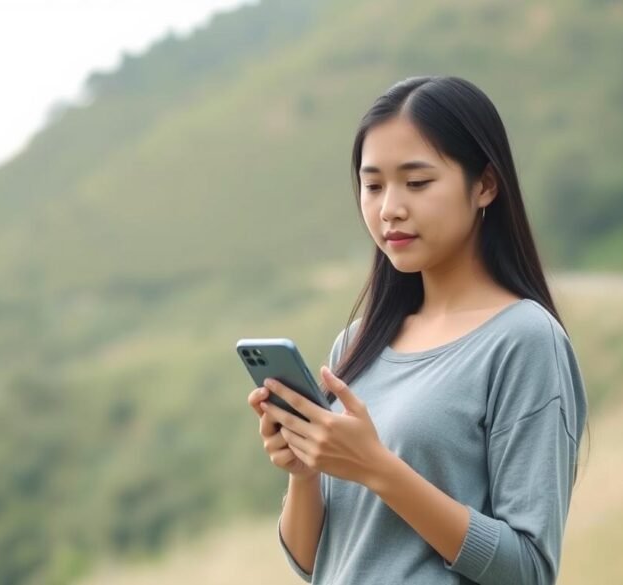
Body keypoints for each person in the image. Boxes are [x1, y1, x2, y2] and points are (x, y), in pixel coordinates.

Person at [246, 75, 588, 584]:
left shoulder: (524, 340)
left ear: (486, 185)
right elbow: (315, 564)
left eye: (418, 182)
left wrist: (378, 469)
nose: (390, 209)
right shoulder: (358, 343)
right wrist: (307, 471)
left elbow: (530, 571)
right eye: (374, 185)